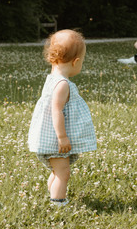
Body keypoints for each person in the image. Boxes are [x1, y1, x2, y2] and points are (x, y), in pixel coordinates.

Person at [28, 29, 97, 206]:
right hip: (55, 140)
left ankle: (53, 196)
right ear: (76, 62)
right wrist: (62, 137)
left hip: (49, 138)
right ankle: (58, 203)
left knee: (58, 171)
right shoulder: (62, 85)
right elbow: (56, 111)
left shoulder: (52, 78)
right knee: (63, 173)